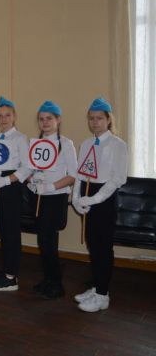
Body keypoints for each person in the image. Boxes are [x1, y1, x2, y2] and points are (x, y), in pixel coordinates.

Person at [72, 98, 127, 312]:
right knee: (92, 244)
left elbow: (117, 179)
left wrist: (94, 199)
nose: (95, 122)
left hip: (104, 198)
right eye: (91, 118)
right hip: (87, 194)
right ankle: (96, 287)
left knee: (103, 247)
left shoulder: (118, 145)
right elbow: (80, 173)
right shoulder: (86, 143)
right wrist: (76, 198)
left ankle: (103, 295)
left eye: (99, 118)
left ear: (108, 120)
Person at [27, 101, 76, 299]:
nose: (45, 122)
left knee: (49, 240)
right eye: (41, 119)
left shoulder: (66, 144)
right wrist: (31, 181)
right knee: (42, 240)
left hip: (55, 198)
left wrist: (51, 186)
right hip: (38, 196)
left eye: (49, 118)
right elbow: (30, 169)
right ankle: (48, 279)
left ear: (58, 120)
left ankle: (56, 283)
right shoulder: (35, 144)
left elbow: (73, 175)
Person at [0, 96, 32, 291]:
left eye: (8, 115)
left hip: (11, 187)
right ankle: (5, 269)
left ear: (14, 117)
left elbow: (27, 167)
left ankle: (11, 276)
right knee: (1, 229)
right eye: (0, 115)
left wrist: (6, 179)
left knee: (11, 232)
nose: (3, 119)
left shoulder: (21, 139)